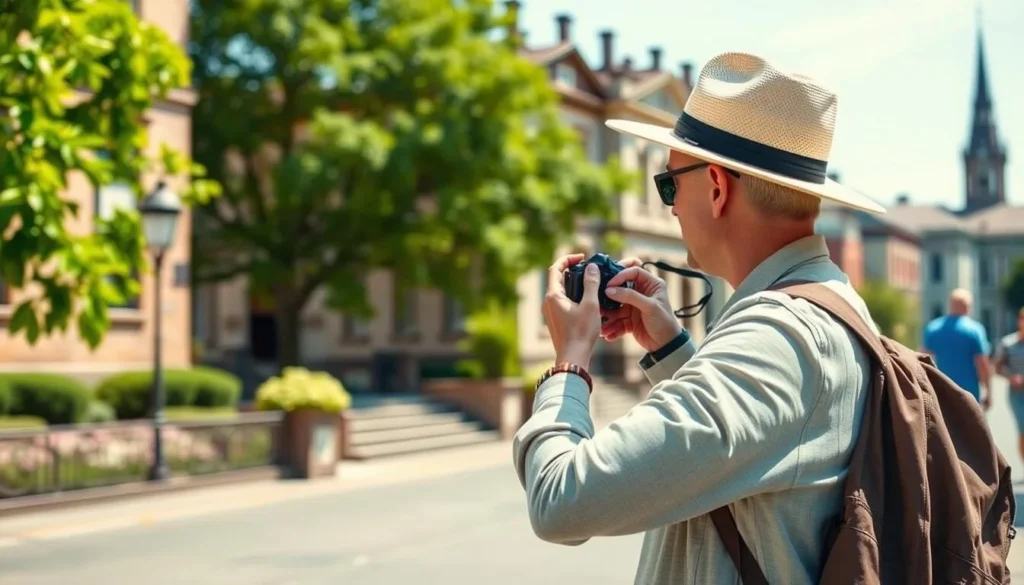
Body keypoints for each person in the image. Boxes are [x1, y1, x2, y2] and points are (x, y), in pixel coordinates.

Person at [514, 52, 887, 584]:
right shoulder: (829, 302)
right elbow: (743, 449)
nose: (669, 207)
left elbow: (561, 504)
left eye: (669, 185)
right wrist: (671, 350)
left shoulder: (777, 339)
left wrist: (568, 365)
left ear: (716, 187)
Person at [922, 289, 992, 409]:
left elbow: (923, 360)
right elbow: (982, 364)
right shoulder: (975, 330)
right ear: (968, 306)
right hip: (968, 392)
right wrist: (988, 391)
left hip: (941, 390)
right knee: (970, 426)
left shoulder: (933, 328)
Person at [994, 307, 1024, 460]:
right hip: (1017, 394)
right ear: (1019, 321)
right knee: (1023, 428)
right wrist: (1012, 377)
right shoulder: (1008, 343)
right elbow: (998, 367)